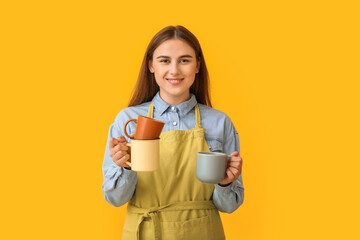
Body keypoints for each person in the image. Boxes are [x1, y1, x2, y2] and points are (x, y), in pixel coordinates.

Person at [102, 25, 244, 240]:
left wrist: (225, 183)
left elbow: (230, 205)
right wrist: (125, 167)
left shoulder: (219, 122)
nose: (175, 70)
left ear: (197, 65)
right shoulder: (128, 121)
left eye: (184, 60)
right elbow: (115, 198)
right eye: (164, 60)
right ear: (151, 65)